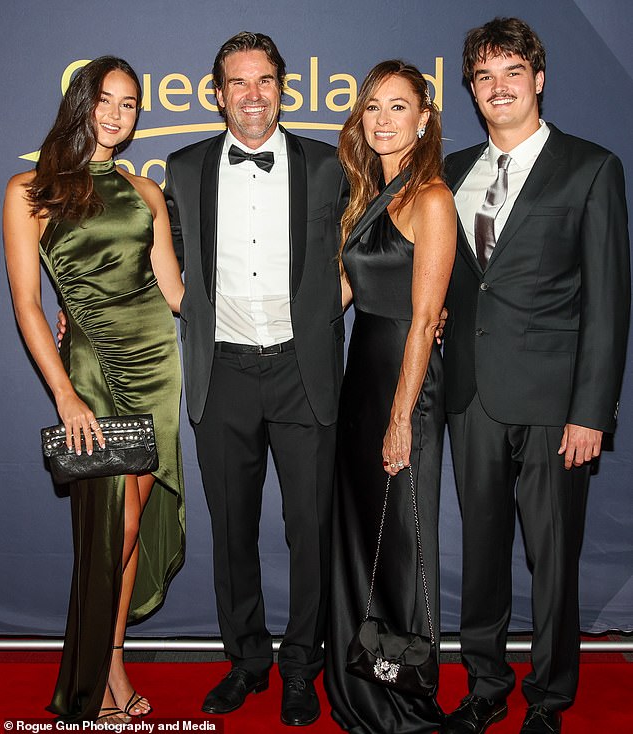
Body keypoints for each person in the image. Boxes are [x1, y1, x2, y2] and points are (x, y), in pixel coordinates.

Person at [441, 17, 630, 734]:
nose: (498, 87)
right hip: (472, 397)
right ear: (472, 87)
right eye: (484, 76)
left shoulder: (590, 167)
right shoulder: (453, 171)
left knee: (552, 562)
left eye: (512, 72)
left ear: (538, 78)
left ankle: (549, 699)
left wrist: (593, 410)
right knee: (482, 556)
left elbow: (609, 304)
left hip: (556, 404)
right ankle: (486, 684)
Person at [163, 32, 348, 727]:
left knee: (310, 528)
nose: (252, 95)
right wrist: (76, 314)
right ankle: (247, 662)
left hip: (305, 373)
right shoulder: (182, 169)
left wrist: (332, 316)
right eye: (238, 83)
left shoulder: (329, 167)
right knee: (233, 531)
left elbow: (369, 251)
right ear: (217, 94)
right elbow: (145, 256)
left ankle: (303, 667)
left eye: (264, 81)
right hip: (225, 372)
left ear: (283, 88)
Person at [3, 57, 186, 723]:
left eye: (129, 104)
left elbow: (174, 293)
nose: (116, 114)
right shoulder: (31, 189)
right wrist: (64, 392)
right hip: (90, 369)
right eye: (105, 100)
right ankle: (96, 675)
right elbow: (26, 303)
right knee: (115, 526)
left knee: (131, 530)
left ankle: (112, 662)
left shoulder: (144, 192)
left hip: (155, 368)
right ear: (81, 104)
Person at [324, 60, 456, 733]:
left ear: (423, 118)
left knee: (401, 545)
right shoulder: (369, 197)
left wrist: (402, 418)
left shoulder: (431, 197)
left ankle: (402, 696)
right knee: (355, 539)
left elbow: (426, 319)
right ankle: (357, 688)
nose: (382, 120)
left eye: (398, 107)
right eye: (372, 107)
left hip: (405, 388)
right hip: (359, 384)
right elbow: (334, 300)